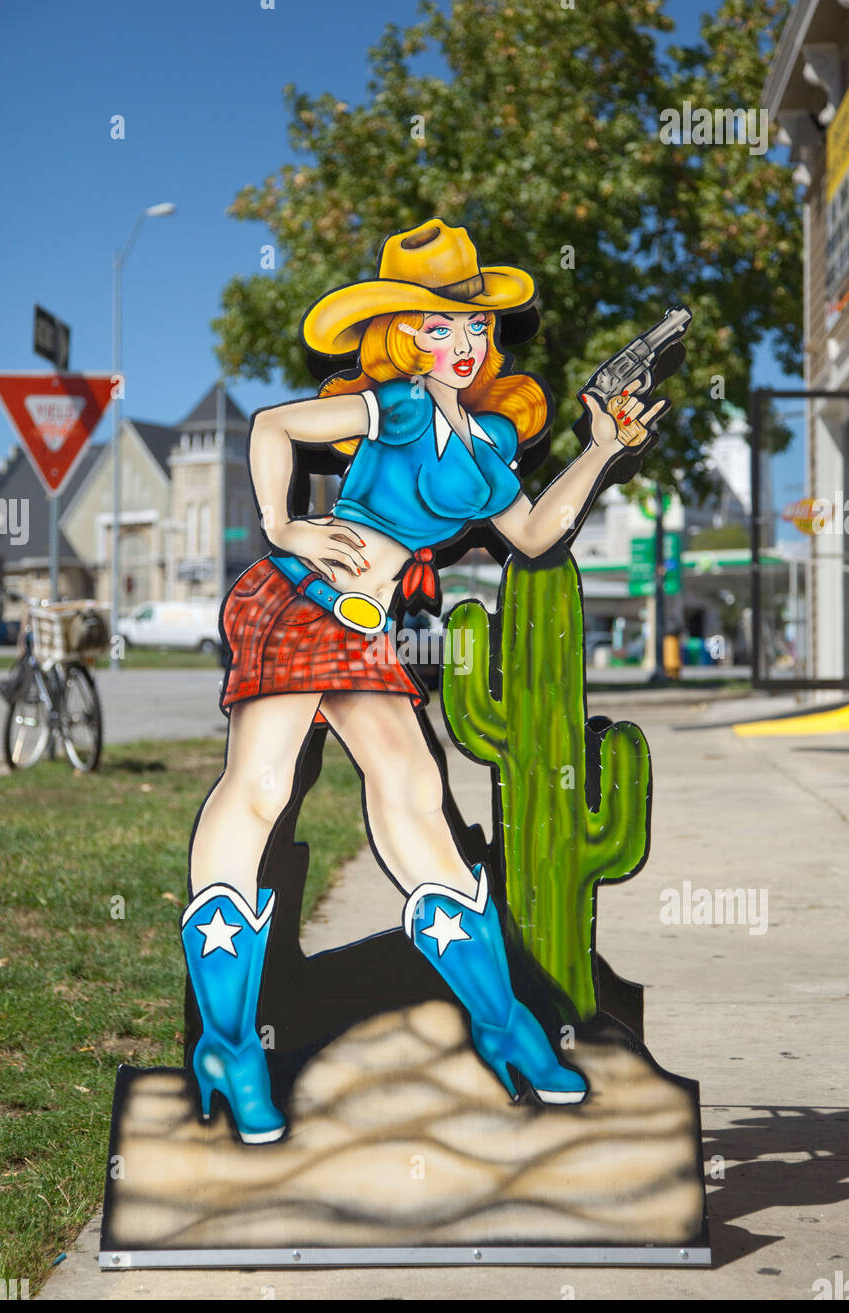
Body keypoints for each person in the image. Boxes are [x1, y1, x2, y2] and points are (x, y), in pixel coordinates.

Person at [180, 218, 668, 1143]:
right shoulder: (394, 406)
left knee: (412, 795)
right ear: (404, 335)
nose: (462, 343)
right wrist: (283, 526)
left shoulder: (486, 442)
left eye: (473, 327)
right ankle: (232, 1046)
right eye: (440, 326)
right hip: (301, 595)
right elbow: (273, 425)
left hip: (363, 628)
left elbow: (530, 534)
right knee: (262, 783)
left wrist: (604, 446)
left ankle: (503, 1024)